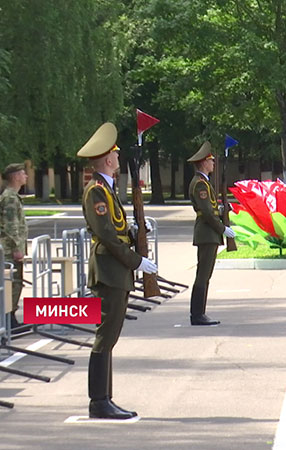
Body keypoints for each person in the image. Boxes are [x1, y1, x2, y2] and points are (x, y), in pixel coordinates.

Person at [78, 122, 158, 419]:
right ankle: (99, 401)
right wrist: (137, 261)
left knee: (110, 336)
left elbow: (117, 227)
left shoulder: (107, 190)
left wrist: (136, 228)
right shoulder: (96, 191)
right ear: (108, 160)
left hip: (116, 270)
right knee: (106, 335)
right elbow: (108, 237)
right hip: (109, 270)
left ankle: (104, 398)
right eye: (116, 154)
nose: (119, 158)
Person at [187, 142, 235, 325]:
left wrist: (223, 208)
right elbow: (207, 212)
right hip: (207, 233)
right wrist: (222, 229)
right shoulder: (200, 184)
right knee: (203, 275)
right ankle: (197, 314)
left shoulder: (203, 182)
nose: (213, 163)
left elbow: (211, 207)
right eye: (211, 160)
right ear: (203, 163)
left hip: (209, 233)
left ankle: (200, 313)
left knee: (205, 275)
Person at [0, 163, 28, 330]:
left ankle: (10, 318)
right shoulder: (10, 198)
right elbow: (11, 225)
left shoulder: (11, 196)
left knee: (15, 283)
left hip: (11, 249)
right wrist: (17, 248)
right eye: (23, 173)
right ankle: (7, 319)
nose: (26, 176)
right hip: (10, 250)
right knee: (12, 284)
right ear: (16, 176)